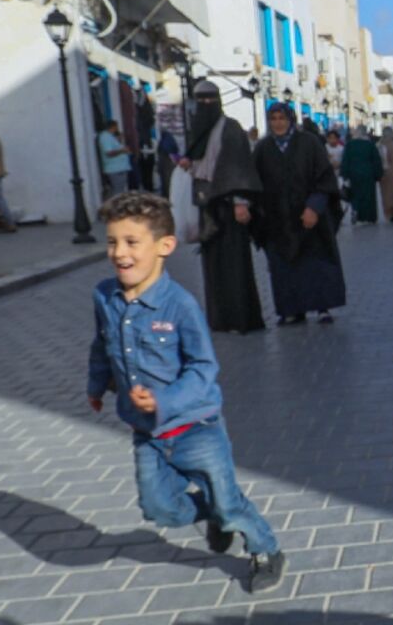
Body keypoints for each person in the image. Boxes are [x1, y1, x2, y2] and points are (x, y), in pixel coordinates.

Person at [87, 192, 285, 593]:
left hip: (198, 428)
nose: (119, 253)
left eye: (131, 242)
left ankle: (266, 549)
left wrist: (166, 399)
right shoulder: (104, 297)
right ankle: (212, 511)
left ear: (164, 246)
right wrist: (96, 384)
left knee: (231, 504)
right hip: (148, 433)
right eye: (112, 242)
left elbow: (204, 368)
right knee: (159, 509)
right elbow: (101, 344)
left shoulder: (180, 305)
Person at [181, 80, 264, 334]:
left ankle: (241, 317)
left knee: (234, 262)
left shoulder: (230, 128)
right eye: (200, 100)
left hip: (229, 205)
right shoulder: (198, 130)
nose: (205, 105)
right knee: (213, 264)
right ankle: (220, 318)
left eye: (210, 100)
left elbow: (238, 166)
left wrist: (241, 202)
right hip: (207, 205)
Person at [253, 102, 346, 325]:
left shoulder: (309, 143)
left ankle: (322, 307)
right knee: (284, 266)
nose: (278, 123)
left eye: (282, 118)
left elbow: (324, 178)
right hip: (279, 220)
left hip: (310, 218)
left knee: (316, 263)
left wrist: (314, 206)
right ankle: (292, 309)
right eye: (273, 119)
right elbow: (255, 181)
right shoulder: (263, 149)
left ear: (290, 119)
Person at [341, 125, 383, 226]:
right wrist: (378, 174)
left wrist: (344, 174)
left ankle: (355, 209)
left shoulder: (350, 145)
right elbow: (376, 160)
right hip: (368, 173)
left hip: (353, 173)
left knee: (355, 193)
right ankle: (369, 216)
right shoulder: (370, 145)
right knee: (368, 195)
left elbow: (345, 160)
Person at [97, 120, 131, 196]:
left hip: (120, 168)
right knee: (118, 191)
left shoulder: (111, 136)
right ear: (113, 127)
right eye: (116, 127)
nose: (117, 129)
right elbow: (109, 153)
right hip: (115, 169)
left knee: (120, 189)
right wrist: (122, 151)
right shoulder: (105, 137)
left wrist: (119, 141)